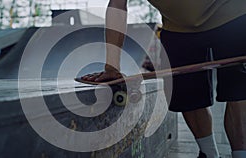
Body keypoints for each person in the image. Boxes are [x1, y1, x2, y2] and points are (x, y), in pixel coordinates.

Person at [81, 0, 246, 158]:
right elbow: (118, 4)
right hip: (177, 27)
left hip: (232, 15)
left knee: (240, 92)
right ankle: (208, 153)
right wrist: (112, 66)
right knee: (189, 97)